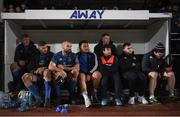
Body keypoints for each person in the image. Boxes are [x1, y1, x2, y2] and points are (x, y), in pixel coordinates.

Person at [21, 41, 54, 107]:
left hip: (49, 75)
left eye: (46, 47)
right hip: (37, 76)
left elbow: (54, 66)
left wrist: (44, 68)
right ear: (39, 48)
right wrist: (35, 71)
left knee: (46, 71)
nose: (45, 49)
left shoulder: (52, 55)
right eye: (43, 48)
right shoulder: (34, 55)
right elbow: (30, 68)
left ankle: (47, 100)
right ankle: (38, 99)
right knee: (25, 77)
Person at [77, 40, 102, 108]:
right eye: (84, 46)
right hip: (82, 73)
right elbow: (77, 66)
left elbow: (96, 65)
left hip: (91, 73)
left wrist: (89, 74)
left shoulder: (93, 54)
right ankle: (86, 98)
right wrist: (84, 73)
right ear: (80, 47)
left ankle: (94, 93)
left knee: (98, 74)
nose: (86, 48)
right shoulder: (77, 55)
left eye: (87, 46)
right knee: (81, 76)